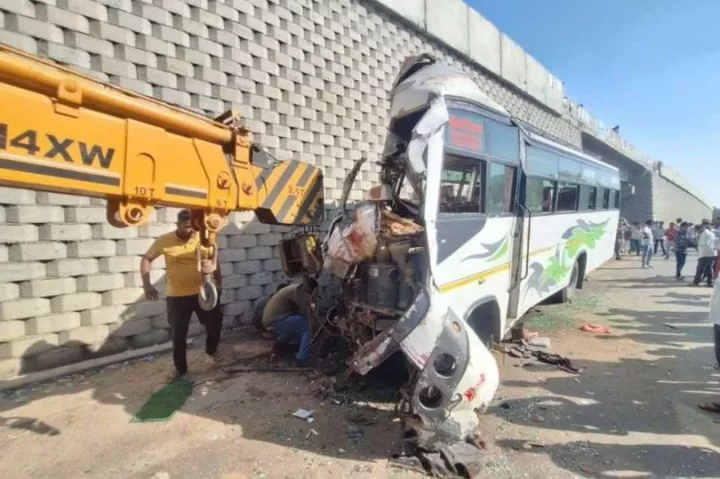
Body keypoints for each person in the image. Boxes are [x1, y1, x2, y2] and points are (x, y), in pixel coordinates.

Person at [141, 209, 224, 378]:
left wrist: (219, 282)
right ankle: (181, 369)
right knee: (179, 334)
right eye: (186, 226)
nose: (191, 230)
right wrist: (147, 285)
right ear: (177, 225)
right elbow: (146, 258)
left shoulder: (203, 239)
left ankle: (211, 351)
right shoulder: (165, 240)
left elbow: (214, 261)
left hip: (202, 293)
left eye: (193, 226)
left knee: (215, 323)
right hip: (177, 296)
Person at [262, 277, 318, 367]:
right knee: (307, 328)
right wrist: (318, 327)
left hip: (272, 319)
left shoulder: (295, 289)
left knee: (298, 327)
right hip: (276, 320)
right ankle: (302, 358)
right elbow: (307, 314)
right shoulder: (300, 292)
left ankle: (281, 346)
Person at [692, 220, 716, 287]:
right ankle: (709, 282)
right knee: (708, 269)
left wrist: (696, 241)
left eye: (696, 230)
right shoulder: (710, 233)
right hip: (710, 253)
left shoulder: (704, 234)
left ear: (700, 229)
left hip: (705, 254)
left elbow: (703, 244)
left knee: (700, 269)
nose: (696, 232)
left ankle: (696, 282)